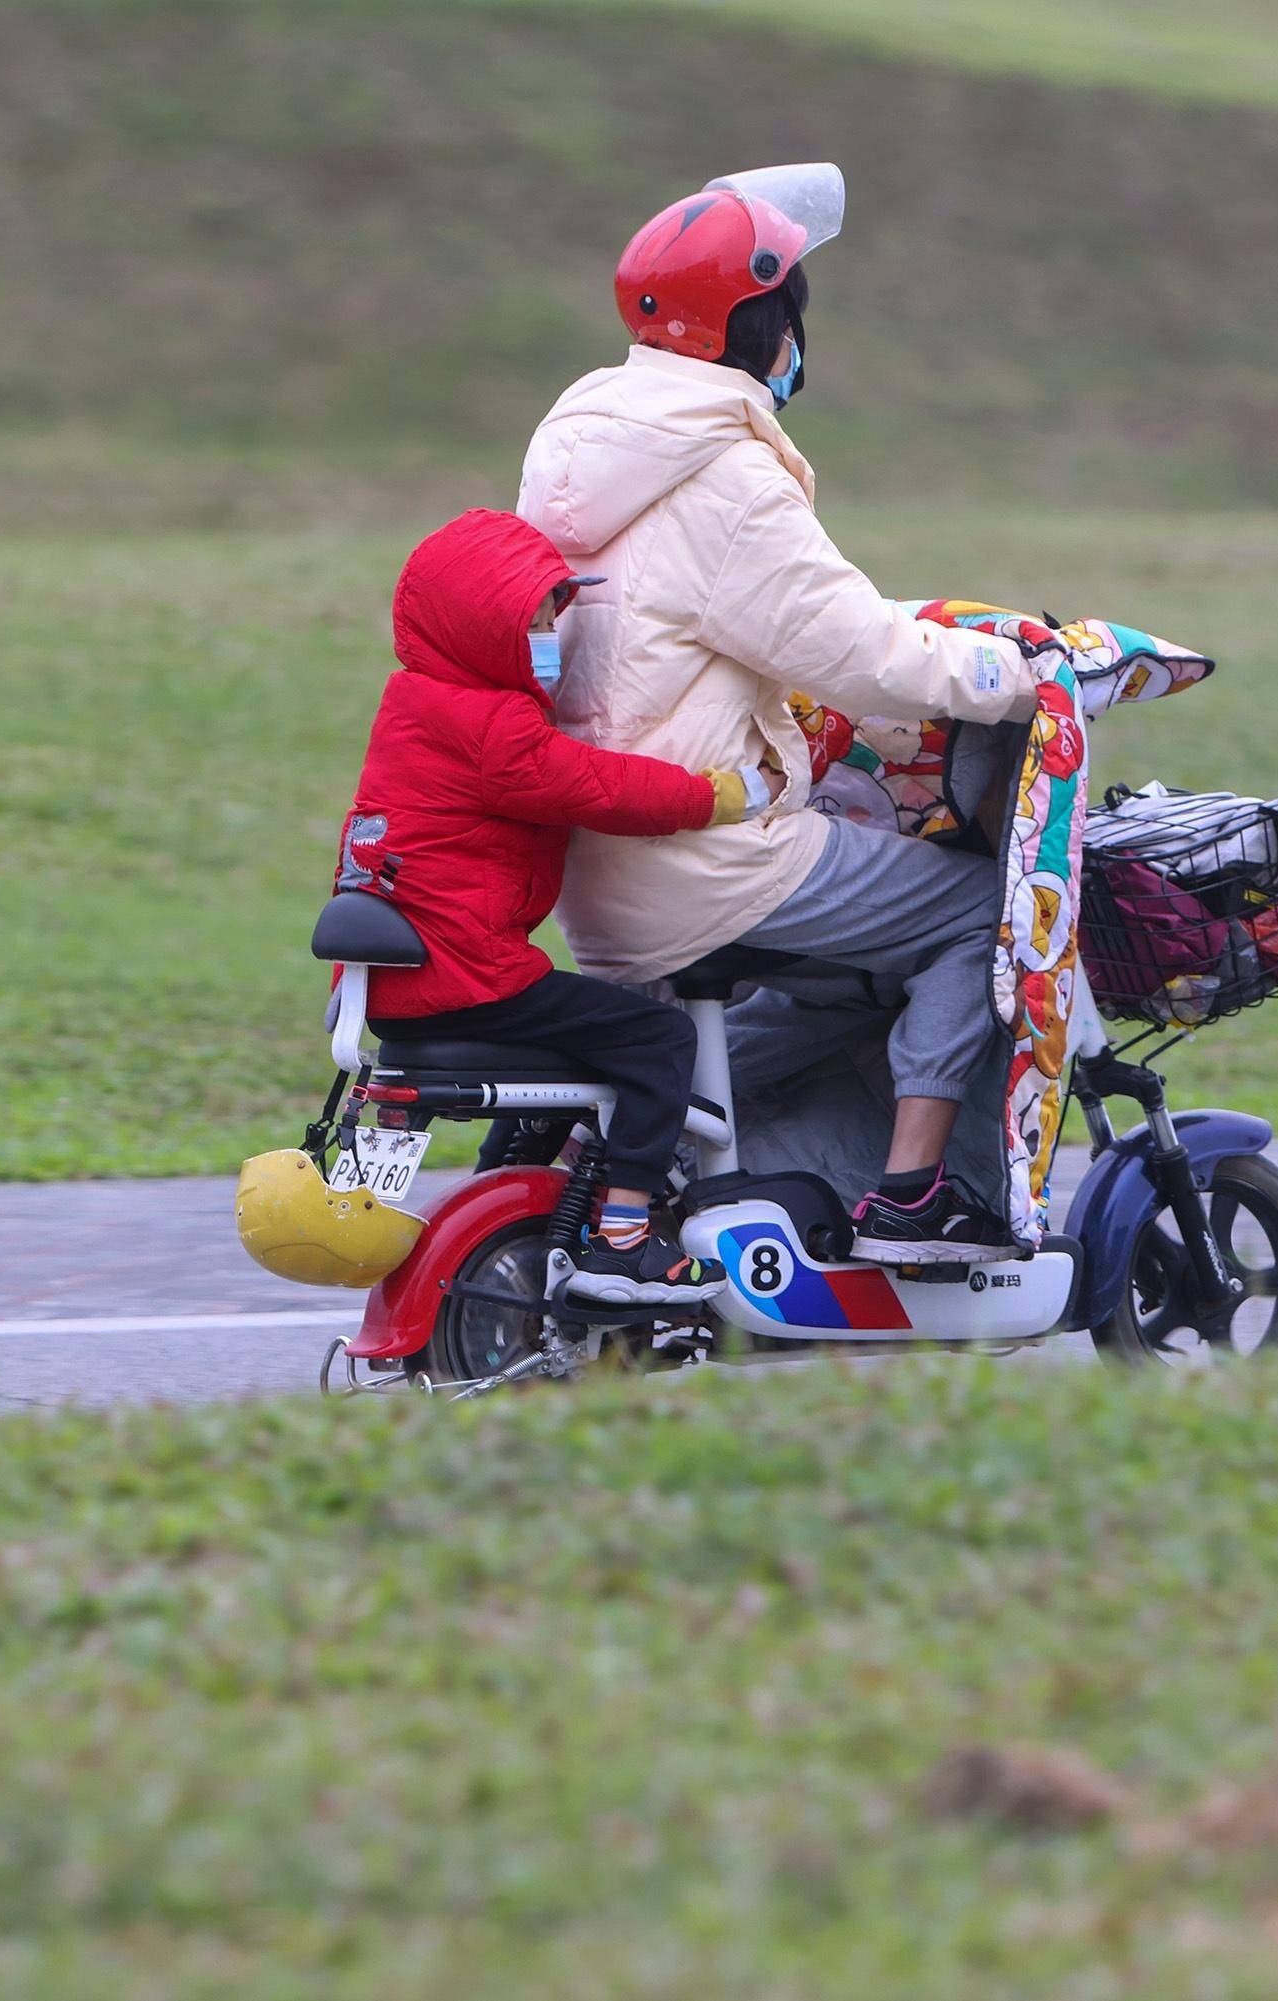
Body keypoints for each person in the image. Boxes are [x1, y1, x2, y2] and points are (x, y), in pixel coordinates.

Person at [517, 165, 1048, 1259]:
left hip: (600, 861)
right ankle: (915, 1197)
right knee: (985, 912)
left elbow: (742, 623)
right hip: (702, 861)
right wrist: (1026, 676)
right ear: (761, 332)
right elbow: (859, 653)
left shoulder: (589, 453)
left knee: (853, 923)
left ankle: (638, 1139)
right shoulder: (724, 477)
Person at [336, 508, 773, 1305]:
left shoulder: (414, 701)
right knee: (658, 1037)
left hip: (408, 981)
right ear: (481, 629)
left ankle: (507, 1203)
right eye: (536, 620)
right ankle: (624, 1240)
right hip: (467, 976)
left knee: (577, 1052)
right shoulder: (495, 727)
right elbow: (598, 786)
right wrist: (714, 796)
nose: (551, 635)